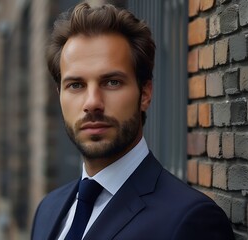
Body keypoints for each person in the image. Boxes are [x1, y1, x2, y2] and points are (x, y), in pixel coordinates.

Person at [31, 2, 235, 240]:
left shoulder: (191, 221)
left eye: (112, 82)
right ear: (60, 95)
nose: (92, 102)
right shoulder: (47, 210)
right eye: (76, 85)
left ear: (145, 94)